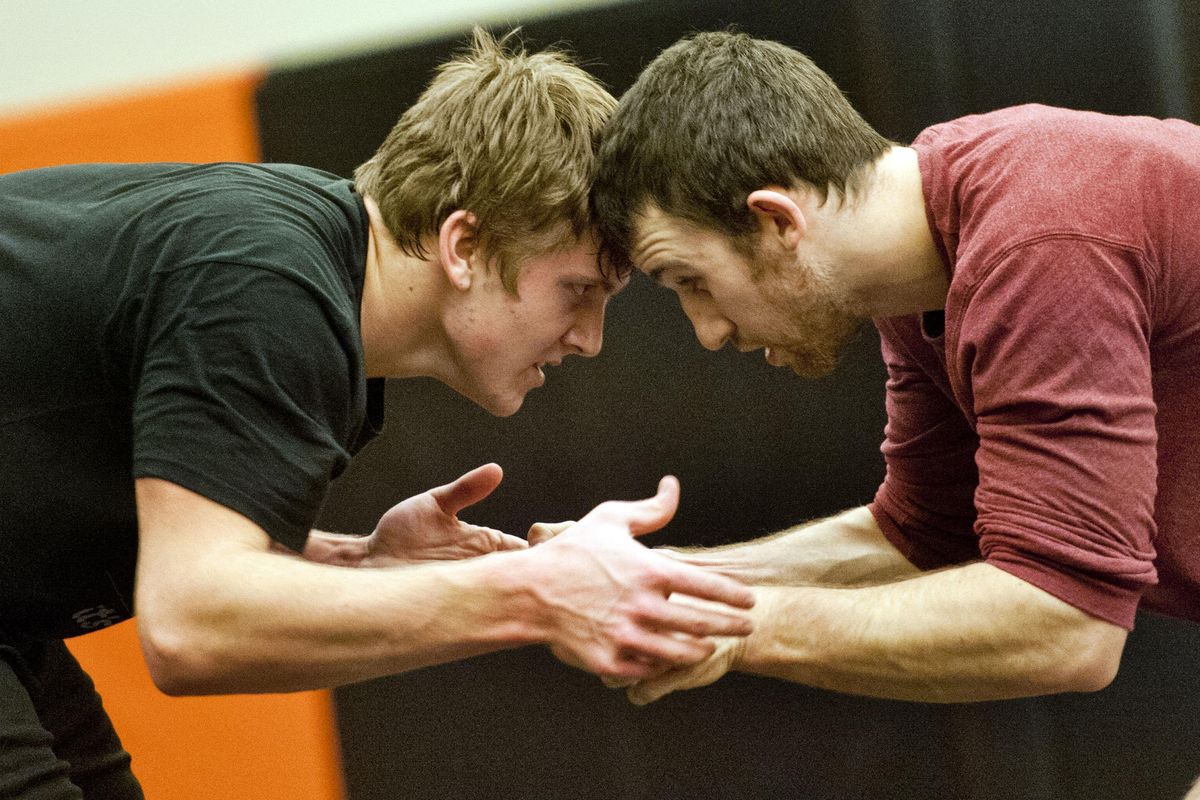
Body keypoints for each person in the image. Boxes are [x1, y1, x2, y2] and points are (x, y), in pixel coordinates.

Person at [0, 29, 756, 799]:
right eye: (579, 290)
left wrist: (354, 566)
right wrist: (537, 591)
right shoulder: (267, 288)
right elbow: (192, 626)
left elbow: (170, 541)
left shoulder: (306, 282)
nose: (590, 340)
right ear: (463, 244)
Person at [588, 30, 1200, 706]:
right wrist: (661, 578)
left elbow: (1068, 624)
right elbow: (924, 531)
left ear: (776, 222)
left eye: (690, 279)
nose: (706, 331)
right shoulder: (933, 249)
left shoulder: (1037, 238)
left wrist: (731, 627)